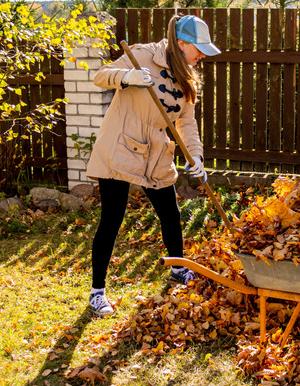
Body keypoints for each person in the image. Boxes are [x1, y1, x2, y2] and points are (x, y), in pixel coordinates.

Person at [85, 14, 221, 316]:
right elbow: (100, 76)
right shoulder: (142, 55)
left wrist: (195, 156)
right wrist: (127, 77)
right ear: (182, 43)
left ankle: (177, 269)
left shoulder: (187, 74)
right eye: (198, 49)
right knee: (112, 219)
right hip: (120, 146)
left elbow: (187, 121)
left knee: (170, 214)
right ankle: (97, 292)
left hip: (157, 153)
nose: (201, 56)